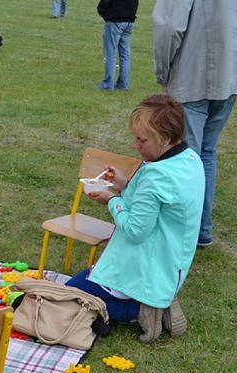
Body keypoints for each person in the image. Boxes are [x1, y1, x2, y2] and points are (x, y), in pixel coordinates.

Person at [65, 94, 204, 343]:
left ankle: (143, 310)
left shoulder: (157, 175)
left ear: (167, 139)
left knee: (69, 297)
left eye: (142, 139)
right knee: (78, 292)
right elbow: (156, 204)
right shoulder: (191, 159)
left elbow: (135, 231)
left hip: (141, 266)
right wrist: (125, 186)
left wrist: (112, 201)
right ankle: (149, 302)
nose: (134, 145)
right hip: (170, 264)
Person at [152, 0, 237, 248]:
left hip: (191, 76)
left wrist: (163, 72)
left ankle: (185, 231)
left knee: (186, 156)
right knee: (203, 152)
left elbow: (168, 26)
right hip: (228, 76)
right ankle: (199, 229)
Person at [96, 0, 137, 91]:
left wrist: (101, 10)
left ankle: (108, 84)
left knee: (110, 53)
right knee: (125, 54)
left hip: (115, 19)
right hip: (129, 20)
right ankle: (123, 83)